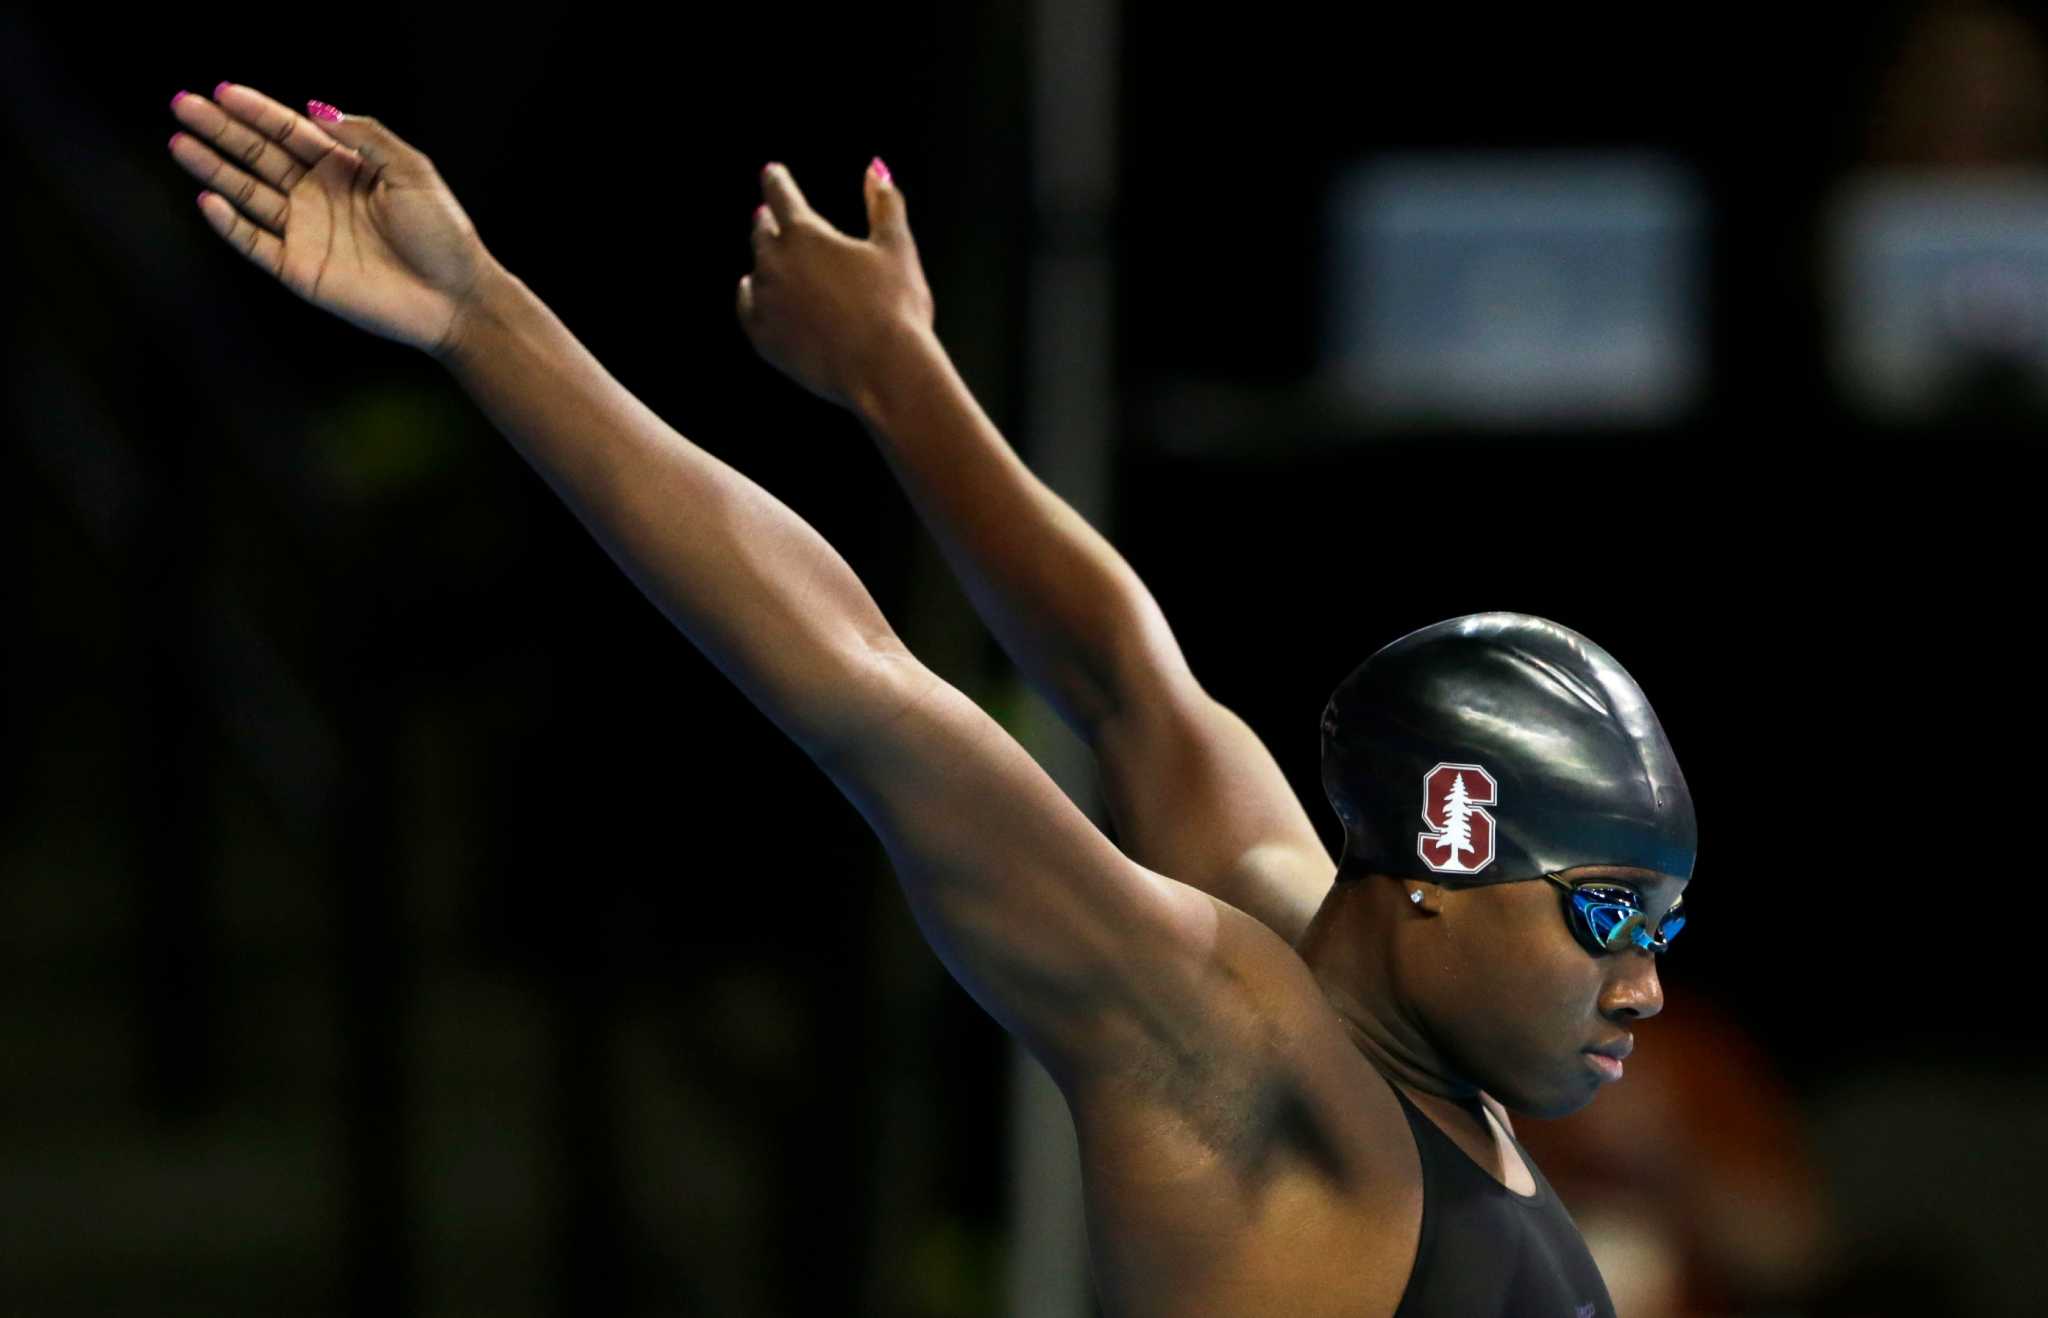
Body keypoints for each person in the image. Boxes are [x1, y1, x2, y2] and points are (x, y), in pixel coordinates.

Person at [165, 84, 1692, 1316]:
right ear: (1444, 851)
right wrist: (480, 315)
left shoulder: (1333, 953)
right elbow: (867, 696)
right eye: (1610, 914)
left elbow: (1123, 672)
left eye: (1664, 926)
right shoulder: (1232, 1052)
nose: (1646, 984)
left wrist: (903, 375)